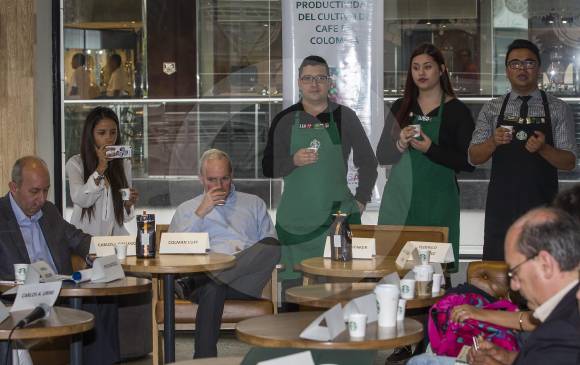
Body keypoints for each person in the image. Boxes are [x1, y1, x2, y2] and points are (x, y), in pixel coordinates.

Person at [262, 55, 377, 284]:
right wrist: (292, 160)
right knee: (294, 291)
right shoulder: (285, 119)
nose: (314, 84)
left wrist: (362, 199)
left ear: (329, 82)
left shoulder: (345, 117)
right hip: (296, 220)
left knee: (341, 288)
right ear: (299, 82)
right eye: (308, 79)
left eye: (320, 78)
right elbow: (267, 166)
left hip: (336, 218)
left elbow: (368, 162)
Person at [0, 156, 120, 365]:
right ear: (13, 187)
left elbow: (77, 238)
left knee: (103, 300)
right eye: (34, 191)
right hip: (20, 299)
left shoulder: (49, 211)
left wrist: (100, 252)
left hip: (61, 291)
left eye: (45, 190)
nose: (41, 198)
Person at [469, 39, 576, 261]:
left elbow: (569, 161)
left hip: (543, 205)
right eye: (515, 64)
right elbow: (473, 157)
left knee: (543, 265)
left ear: (538, 67)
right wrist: (493, 141)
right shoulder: (492, 108)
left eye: (528, 63)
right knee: (498, 266)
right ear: (507, 70)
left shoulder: (558, 108)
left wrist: (544, 148)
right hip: (501, 206)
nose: (522, 69)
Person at [169, 149, 280, 358]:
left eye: (224, 179)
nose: (219, 186)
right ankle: (204, 360)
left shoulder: (253, 203)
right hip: (202, 281)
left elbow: (269, 245)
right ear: (200, 178)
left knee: (272, 246)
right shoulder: (187, 210)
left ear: (232, 176)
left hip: (244, 282)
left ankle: (205, 278)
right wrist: (200, 212)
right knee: (214, 287)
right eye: (211, 180)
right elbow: (173, 250)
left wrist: (241, 257)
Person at [377, 43, 475, 273]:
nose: (421, 73)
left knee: (435, 275)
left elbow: (467, 163)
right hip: (400, 203)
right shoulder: (401, 106)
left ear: (441, 70)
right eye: (415, 68)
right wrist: (400, 143)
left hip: (438, 205)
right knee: (394, 271)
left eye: (427, 67)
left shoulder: (457, 111)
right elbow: (382, 155)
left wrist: (431, 148)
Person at [466, 207, 580, 365]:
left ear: (546, 265)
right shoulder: (564, 309)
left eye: (515, 272)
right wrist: (509, 358)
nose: (513, 286)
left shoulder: (562, 332)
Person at [66, 106, 138, 236]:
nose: (109, 138)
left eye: (113, 132)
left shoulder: (124, 164)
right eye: (101, 133)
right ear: (90, 135)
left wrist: (127, 205)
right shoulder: (76, 163)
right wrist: (100, 169)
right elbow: (81, 199)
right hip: (84, 240)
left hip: (115, 239)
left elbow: (125, 218)